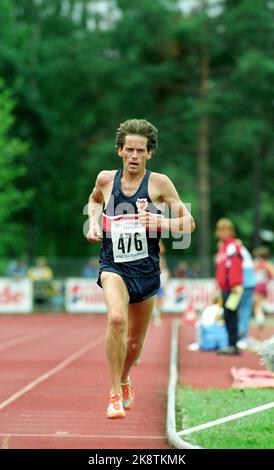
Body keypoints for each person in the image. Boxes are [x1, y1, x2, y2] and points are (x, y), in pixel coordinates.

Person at [86, 118, 195, 419]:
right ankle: (113, 395)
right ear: (120, 150)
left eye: (141, 150)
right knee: (116, 319)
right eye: (129, 149)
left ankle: (124, 378)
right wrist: (94, 223)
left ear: (150, 154)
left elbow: (189, 223)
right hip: (113, 266)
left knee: (135, 342)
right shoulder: (106, 180)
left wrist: (161, 222)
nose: (134, 155)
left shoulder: (160, 183)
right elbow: (94, 201)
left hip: (146, 271)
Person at [215, 218, 243, 355]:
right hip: (225, 287)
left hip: (232, 287)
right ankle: (231, 344)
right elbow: (221, 268)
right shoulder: (222, 247)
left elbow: (235, 266)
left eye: (223, 230)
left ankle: (233, 345)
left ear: (229, 231)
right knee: (227, 316)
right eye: (219, 229)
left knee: (231, 316)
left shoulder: (232, 246)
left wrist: (234, 284)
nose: (220, 232)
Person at [237, 241, 256, 347]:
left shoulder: (235, 251)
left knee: (238, 310)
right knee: (246, 310)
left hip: (241, 284)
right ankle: (244, 337)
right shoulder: (246, 252)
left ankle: (240, 334)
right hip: (250, 283)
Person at [253, 246, 274, 328]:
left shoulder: (256, 264)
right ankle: (262, 315)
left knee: (257, 304)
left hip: (257, 285)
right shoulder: (267, 264)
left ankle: (260, 319)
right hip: (264, 286)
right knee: (261, 303)